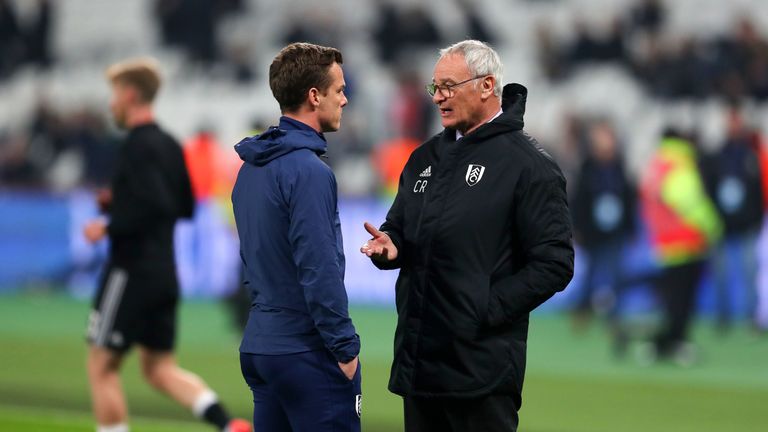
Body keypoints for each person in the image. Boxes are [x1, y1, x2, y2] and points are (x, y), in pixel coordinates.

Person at [360, 40, 574, 432]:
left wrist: (484, 310)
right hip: (420, 364)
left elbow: (555, 263)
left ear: (487, 86)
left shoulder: (528, 166)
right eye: (434, 88)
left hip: (481, 371)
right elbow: (400, 228)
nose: (438, 97)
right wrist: (390, 246)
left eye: (449, 86)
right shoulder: (424, 158)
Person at [82, 58, 250, 432]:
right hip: (164, 272)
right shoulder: (172, 145)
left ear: (129, 95)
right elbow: (183, 206)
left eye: (114, 95)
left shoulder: (136, 146)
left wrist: (108, 226)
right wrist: (120, 201)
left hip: (130, 270)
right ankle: (228, 425)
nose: (111, 104)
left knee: (101, 365)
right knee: (158, 368)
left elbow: (153, 203)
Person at [231, 42, 361, 431]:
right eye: (339, 90)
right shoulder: (310, 172)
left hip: (260, 345)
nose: (345, 99)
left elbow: (253, 259)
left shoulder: (251, 168)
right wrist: (344, 347)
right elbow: (318, 267)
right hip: (304, 350)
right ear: (314, 96)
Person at [639, 128, 722, 365]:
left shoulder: (655, 166)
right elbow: (689, 201)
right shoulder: (680, 164)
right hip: (687, 241)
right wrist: (713, 225)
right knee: (683, 300)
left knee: (672, 298)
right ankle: (673, 343)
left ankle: (662, 344)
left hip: (665, 242)